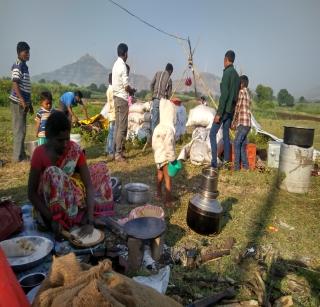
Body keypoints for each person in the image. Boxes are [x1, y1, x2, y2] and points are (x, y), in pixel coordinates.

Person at [28, 111, 114, 239]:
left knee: (101, 168)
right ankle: (62, 221)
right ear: (48, 137)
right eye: (59, 140)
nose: (65, 144)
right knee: (54, 173)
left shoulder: (74, 150)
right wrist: (52, 218)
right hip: (49, 205)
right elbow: (31, 193)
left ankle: (76, 218)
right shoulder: (39, 153)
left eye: (67, 139)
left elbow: (89, 186)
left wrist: (90, 220)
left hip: (69, 202)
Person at [210, 50, 240, 169]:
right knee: (226, 135)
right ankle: (227, 163)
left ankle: (214, 163)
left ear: (226, 59)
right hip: (230, 111)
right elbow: (236, 97)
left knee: (212, 134)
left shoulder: (227, 73)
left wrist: (219, 113)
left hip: (224, 110)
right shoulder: (237, 76)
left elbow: (224, 95)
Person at [9, 41, 34, 162]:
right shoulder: (18, 65)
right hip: (17, 102)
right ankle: (17, 158)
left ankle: (22, 155)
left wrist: (30, 103)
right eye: (26, 52)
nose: (28, 54)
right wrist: (22, 100)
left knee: (23, 129)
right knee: (19, 129)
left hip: (23, 102)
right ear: (19, 53)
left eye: (29, 52)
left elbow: (26, 87)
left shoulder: (25, 66)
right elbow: (15, 84)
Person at [112, 43, 135, 162]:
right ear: (125, 53)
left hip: (116, 97)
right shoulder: (123, 66)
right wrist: (132, 91)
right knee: (122, 127)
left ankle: (115, 151)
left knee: (117, 126)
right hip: (122, 99)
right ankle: (118, 154)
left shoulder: (115, 64)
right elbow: (126, 86)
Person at [152, 98, 177, 207]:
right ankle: (168, 199)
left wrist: (156, 155)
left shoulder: (157, 127)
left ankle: (158, 193)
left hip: (158, 156)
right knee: (168, 179)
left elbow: (153, 143)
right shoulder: (169, 129)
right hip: (166, 157)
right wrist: (172, 159)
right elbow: (169, 145)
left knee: (160, 175)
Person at [231, 75, 251, 170]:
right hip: (248, 124)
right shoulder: (248, 93)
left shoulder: (241, 92)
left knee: (236, 143)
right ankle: (246, 167)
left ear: (242, 84)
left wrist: (233, 122)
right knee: (242, 146)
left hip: (242, 123)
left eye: (239, 83)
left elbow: (238, 108)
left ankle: (236, 168)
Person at [150, 63, 173, 134]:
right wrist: (167, 99)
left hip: (155, 99)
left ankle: (153, 137)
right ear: (170, 71)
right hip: (162, 101)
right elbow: (169, 94)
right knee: (161, 120)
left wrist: (153, 93)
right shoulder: (169, 79)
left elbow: (151, 84)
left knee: (154, 120)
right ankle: (159, 136)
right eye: (171, 72)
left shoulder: (157, 73)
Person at [105, 73, 115, 157]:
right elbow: (114, 103)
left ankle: (107, 149)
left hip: (111, 113)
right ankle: (111, 151)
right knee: (112, 133)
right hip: (113, 113)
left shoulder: (109, 89)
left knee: (110, 133)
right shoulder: (112, 90)